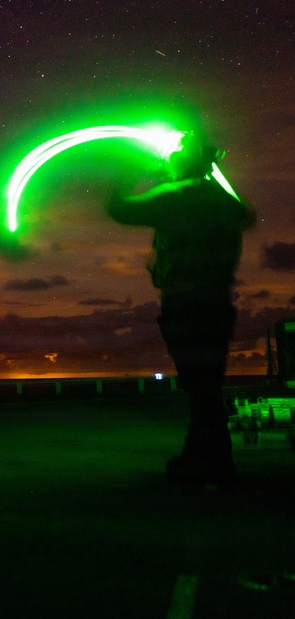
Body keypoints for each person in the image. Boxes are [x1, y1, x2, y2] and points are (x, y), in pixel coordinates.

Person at [107, 132, 255, 485]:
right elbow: (245, 214)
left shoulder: (175, 197)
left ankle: (209, 461)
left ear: (186, 161)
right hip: (217, 300)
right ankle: (209, 455)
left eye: (175, 152)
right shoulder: (222, 201)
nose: (167, 157)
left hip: (186, 300)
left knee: (197, 381)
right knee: (207, 381)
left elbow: (120, 208)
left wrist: (129, 173)